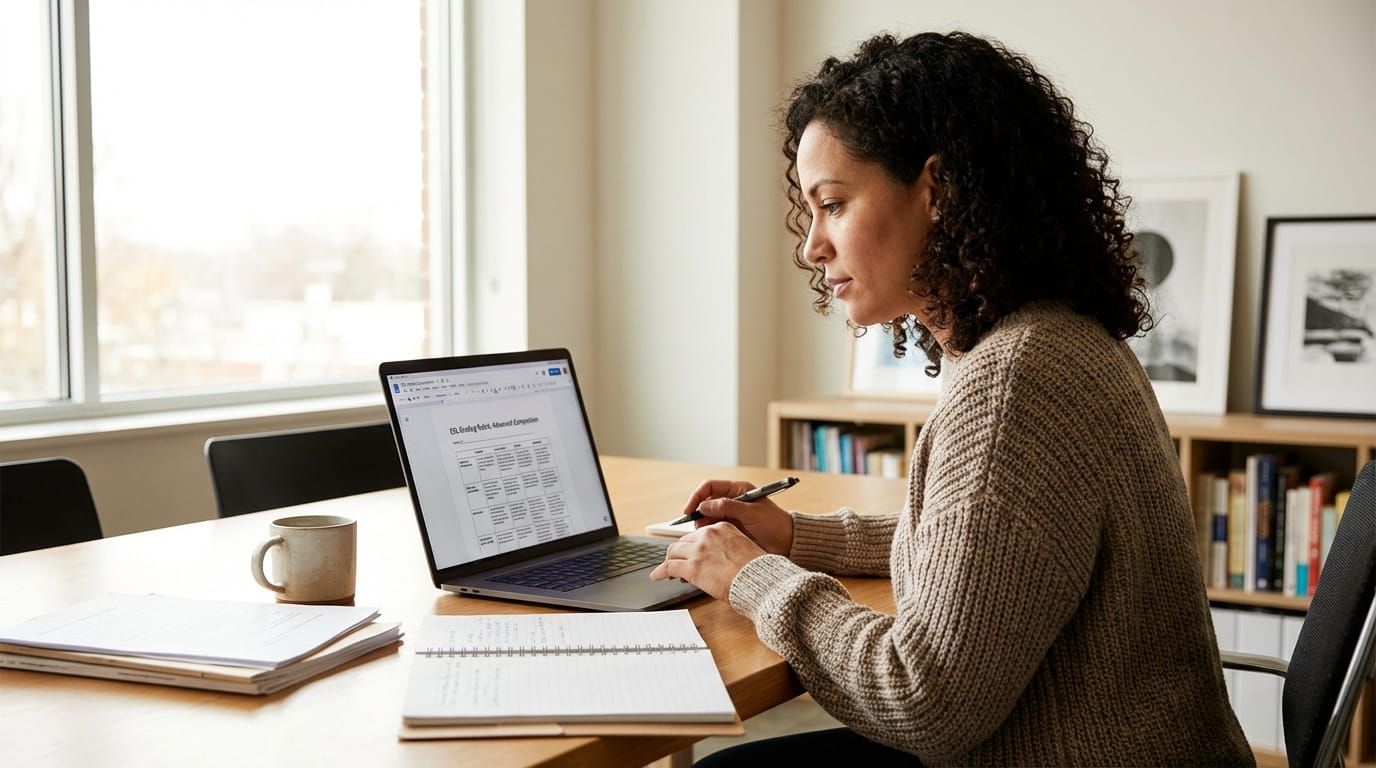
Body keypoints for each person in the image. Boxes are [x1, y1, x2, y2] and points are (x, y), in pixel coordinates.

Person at [650, 31, 1252, 766]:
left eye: (833, 204)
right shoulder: (1048, 341)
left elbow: (921, 699)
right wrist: (794, 538)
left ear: (938, 192)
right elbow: (984, 557)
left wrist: (752, 577)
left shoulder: (1014, 385)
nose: (812, 245)